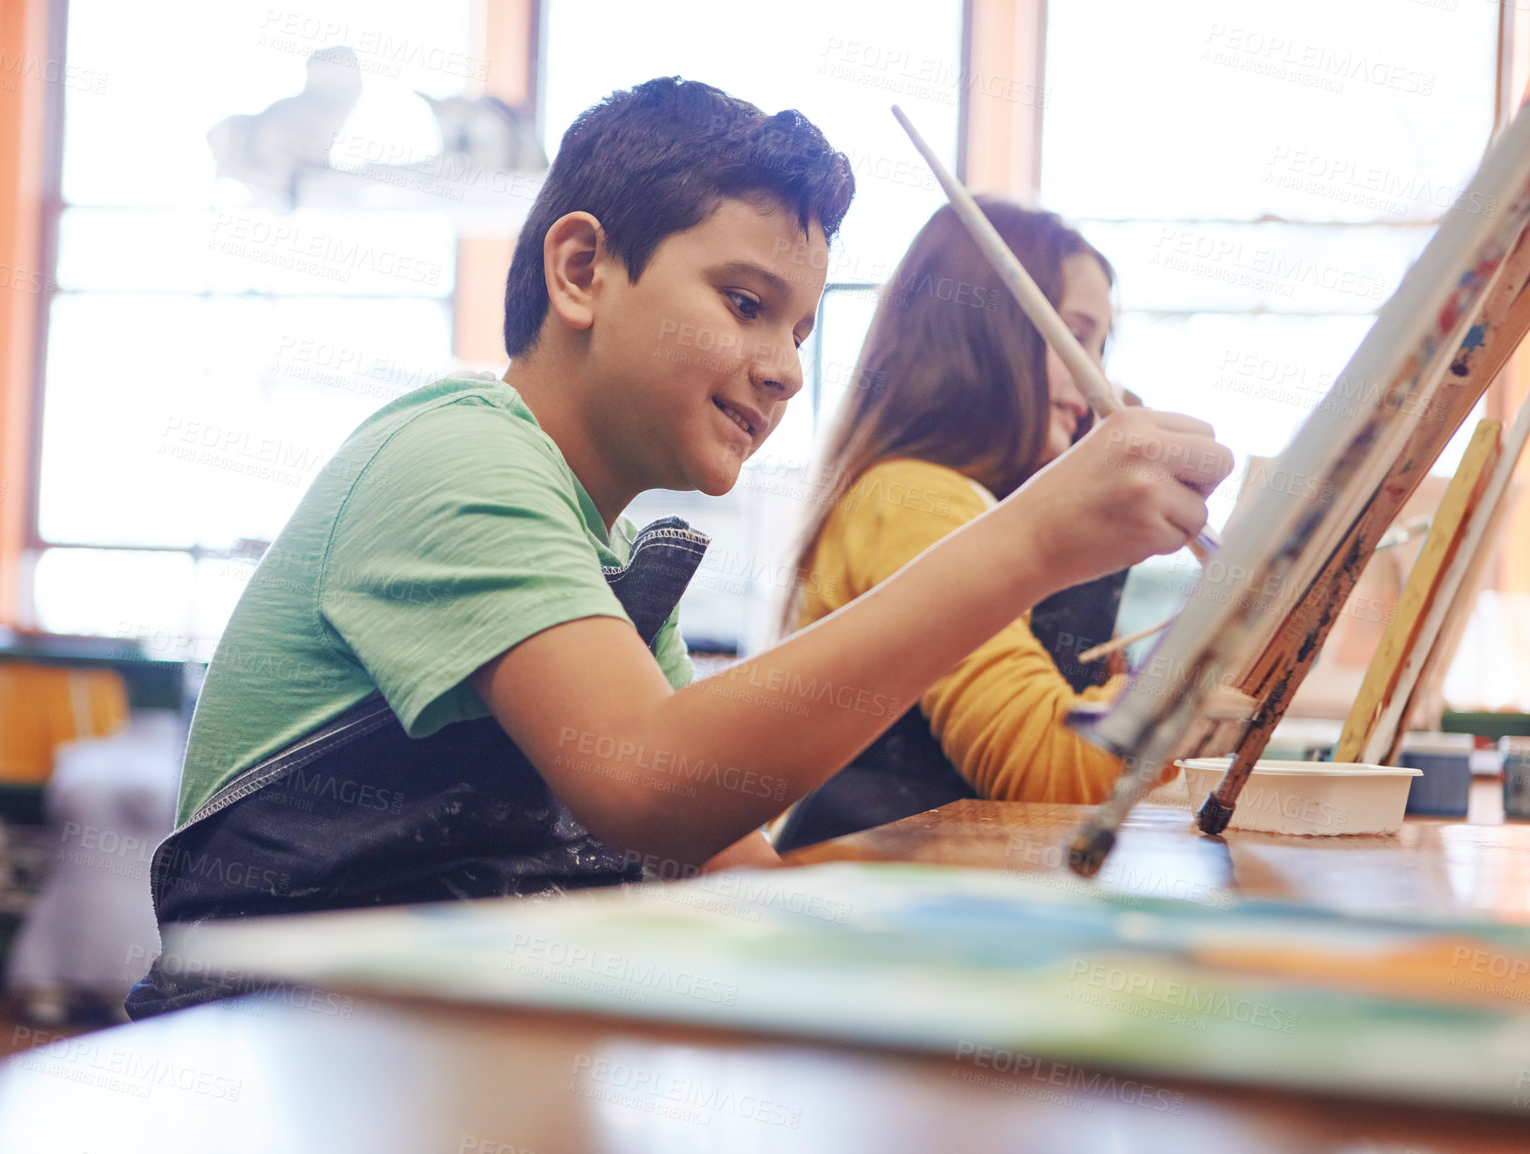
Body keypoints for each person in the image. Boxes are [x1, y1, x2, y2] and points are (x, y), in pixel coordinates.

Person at [126, 78, 1230, 1018]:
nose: (786, 367)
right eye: (746, 302)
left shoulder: (603, 551)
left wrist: (952, 947)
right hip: (285, 1044)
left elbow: (721, 858)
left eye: (800, 329)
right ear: (580, 272)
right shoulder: (452, 452)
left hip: (454, 1029)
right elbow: (650, 786)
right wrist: (1029, 539)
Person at [773, 200, 1172, 851]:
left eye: (1102, 348)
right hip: (873, 911)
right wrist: (1206, 665)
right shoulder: (916, 498)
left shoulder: (963, 503)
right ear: (984, 331)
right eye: (1075, 335)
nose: (1095, 375)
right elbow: (1052, 776)